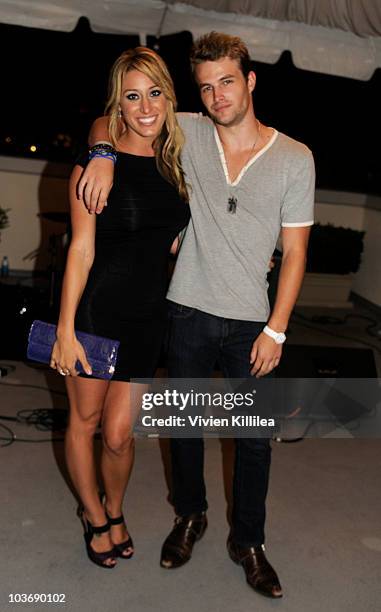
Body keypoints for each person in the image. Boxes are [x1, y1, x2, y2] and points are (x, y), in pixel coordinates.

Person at [78, 32, 315, 596]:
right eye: (206, 87)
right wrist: (103, 154)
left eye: (227, 81)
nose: (216, 95)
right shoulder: (186, 130)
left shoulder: (295, 157)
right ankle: (190, 516)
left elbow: (298, 251)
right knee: (182, 430)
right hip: (184, 310)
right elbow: (114, 115)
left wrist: (277, 328)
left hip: (253, 322)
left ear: (250, 80)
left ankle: (249, 542)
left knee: (253, 438)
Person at [50, 47, 189, 569]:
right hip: (96, 315)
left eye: (155, 92)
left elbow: (172, 239)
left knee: (119, 434)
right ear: (119, 105)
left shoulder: (179, 162)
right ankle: (94, 514)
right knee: (84, 424)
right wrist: (65, 329)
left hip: (148, 317)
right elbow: (80, 251)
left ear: (169, 97)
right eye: (133, 96)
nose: (146, 106)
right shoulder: (94, 165)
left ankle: (116, 506)